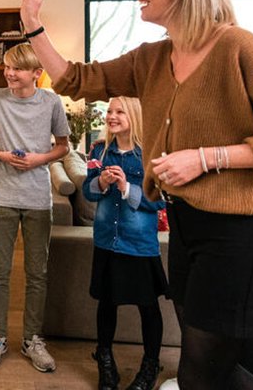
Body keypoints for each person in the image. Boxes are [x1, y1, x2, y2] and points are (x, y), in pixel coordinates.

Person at [19, 0, 253, 390]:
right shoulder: (153, 58)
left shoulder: (241, 49)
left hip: (238, 236)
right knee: (228, 368)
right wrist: (32, 22)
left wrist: (207, 158)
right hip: (185, 228)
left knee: (200, 372)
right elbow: (74, 79)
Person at [0, 42, 71, 372]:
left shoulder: (51, 101)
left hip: (37, 199)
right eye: (8, 67)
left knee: (37, 273)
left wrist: (40, 158)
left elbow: (63, 147)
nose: (9, 73)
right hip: (1, 198)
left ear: (36, 74)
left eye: (17, 69)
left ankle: (32, 340)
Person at [83, 96, 167, 390]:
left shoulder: (151, 155)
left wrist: (126, 187)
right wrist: (102, 183)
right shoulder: (97, 150)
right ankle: (105, 361)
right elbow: (88, 192)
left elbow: (160, 202)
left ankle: (150, 365)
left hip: (139, 244)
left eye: (119, 111)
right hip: (106, 242)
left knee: (147, 306)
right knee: (107, 302)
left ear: (134, 116)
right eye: (109, 111)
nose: (111, 116)